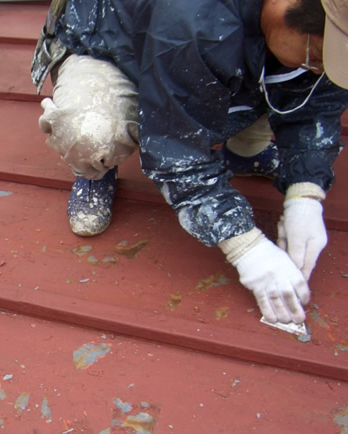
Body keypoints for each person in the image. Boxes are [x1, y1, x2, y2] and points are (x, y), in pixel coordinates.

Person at [31, 0, 348, 327]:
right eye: (318, 57)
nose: (317, 68)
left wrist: (305, 194)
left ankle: (245, 149)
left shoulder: (297, 33)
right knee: (91, 134)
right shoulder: (196, 16)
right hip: (113, 45)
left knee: (282, 69)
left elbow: (317, 101)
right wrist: (246, 247)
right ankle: (94, 169)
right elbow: (174, 145)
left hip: (203, 46)